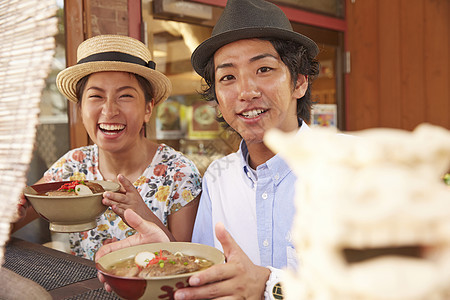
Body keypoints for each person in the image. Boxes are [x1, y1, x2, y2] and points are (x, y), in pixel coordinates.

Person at [97, 0, 319, 298]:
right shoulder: (218, 176)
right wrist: (165, 251)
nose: (246, 92)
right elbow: (205, 275)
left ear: (300, 82)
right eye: (228, 77)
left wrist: (268, 286)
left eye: (264, 69)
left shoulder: (355, 168)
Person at [13, 35, 202, 260]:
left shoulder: (178, 172)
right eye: (96, 96)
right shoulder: (74, 164)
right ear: (80, 109)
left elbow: (191, 263)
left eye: (125, 96)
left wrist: (144, 215)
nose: (109, 110)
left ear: (148, 109)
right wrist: (13, 210)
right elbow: (17, 216)